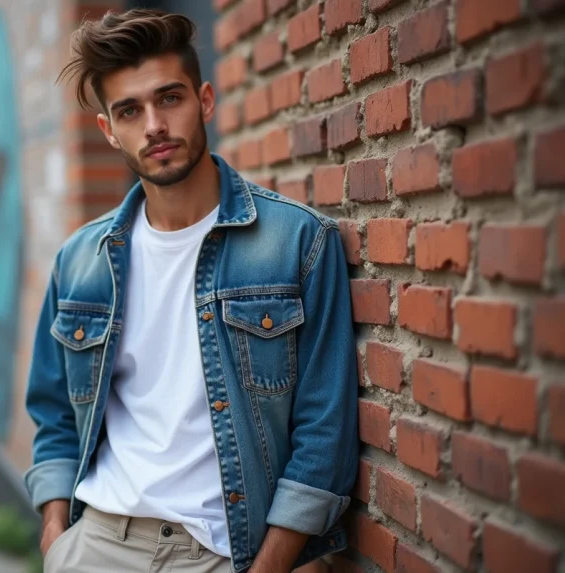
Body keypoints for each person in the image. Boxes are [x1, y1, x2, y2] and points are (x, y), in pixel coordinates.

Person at [24, 9, 358, 573]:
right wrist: (57, 534)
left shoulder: (296, 242)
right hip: (98, 542)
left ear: (205, 101)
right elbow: (54, 412)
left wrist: (274, 564)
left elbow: (326, 430)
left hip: (228, 552)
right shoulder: (80, 262)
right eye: (130, 110)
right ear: (109, 130)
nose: (154, 125)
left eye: (169, 98)